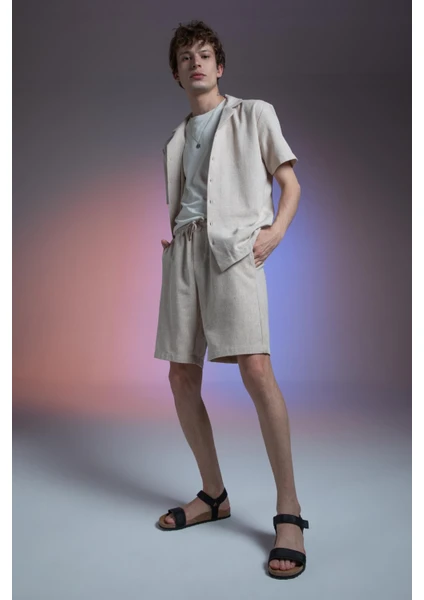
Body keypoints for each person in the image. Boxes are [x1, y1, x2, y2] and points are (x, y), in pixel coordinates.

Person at [154, 20, 309, 580]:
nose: (195, 63)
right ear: (177, 74)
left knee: (256, 368)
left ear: (219, 67)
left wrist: (276, 232)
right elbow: (192, 197)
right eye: (185, 58)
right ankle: (214, 495)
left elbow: (289, 184)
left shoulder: (253, 114)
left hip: (235, 249)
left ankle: (289, 511)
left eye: (204, 55)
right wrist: (178, 238)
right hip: (185, 251)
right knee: (180, 374)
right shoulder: (175, 139)